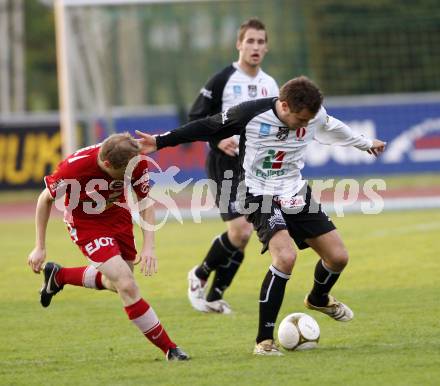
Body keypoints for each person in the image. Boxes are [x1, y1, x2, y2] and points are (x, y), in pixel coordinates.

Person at [135, 76, 386, 356]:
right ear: (284, 105)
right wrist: (160, 141)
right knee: (286, 257)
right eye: (300, 120)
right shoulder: (250, 113)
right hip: (256, 192)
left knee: (338, 257)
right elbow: (206, 126)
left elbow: (331, 127)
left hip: (294, 191)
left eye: (308, 121)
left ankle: (318, 299)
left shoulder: (314, 116)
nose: (304, 126)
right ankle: (264, 342)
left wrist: (365, 143)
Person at [27, 133, 189, 361]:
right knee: (127, 285)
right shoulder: (73, 169)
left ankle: (59, 276)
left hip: (118, 215)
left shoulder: (136, 160)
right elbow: (44, 200)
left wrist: (149, 247)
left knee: (119, 282)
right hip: (86, 223)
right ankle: (170, 349)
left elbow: (145, 201)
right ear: (106, 164)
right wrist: (39, 247)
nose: (130, 175)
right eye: (124, 173)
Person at [187, 18, 279, 314]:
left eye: (260, 42)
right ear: (239, 44)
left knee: (245, 234)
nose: (255, 47)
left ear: (266, 47)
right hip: (223, 163)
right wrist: (217, 141)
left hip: (252, 166)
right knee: (239, 231)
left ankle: (214, 296)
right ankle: (199, 274)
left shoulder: (269, 84)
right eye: (250, 41)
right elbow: (195, 118)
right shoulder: (223, 79)